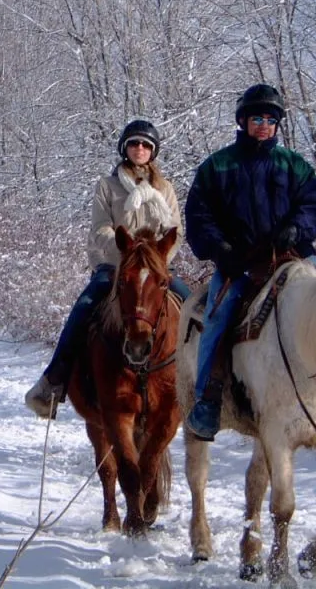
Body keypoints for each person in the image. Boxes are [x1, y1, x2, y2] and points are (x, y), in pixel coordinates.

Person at [182, 83, 316, 441]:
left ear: (277, 125)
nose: (263, 125)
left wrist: (296, 229)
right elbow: (199, 215)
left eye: (270, 119)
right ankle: (208, 400)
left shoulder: (294, 165)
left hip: (292, 255)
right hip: (240, 262)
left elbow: (312, 206)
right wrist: (219, 248)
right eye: (256, 118)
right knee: (217, 316)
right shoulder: (216, 167)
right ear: (242, 121)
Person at [24, 119, 192, 419]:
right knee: (85, 304)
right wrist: (128, 254)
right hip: (116, 265)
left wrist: (156, 258)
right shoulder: (108, 186)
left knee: (194, 307)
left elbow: (175, 232)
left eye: (145, 145)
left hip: (154, 268)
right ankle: (55, 379)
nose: (139, 149)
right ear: (125, 148)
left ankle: (203, 386)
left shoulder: (164, 188)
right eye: (134, 143)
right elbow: (101, 228)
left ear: (152, 152)